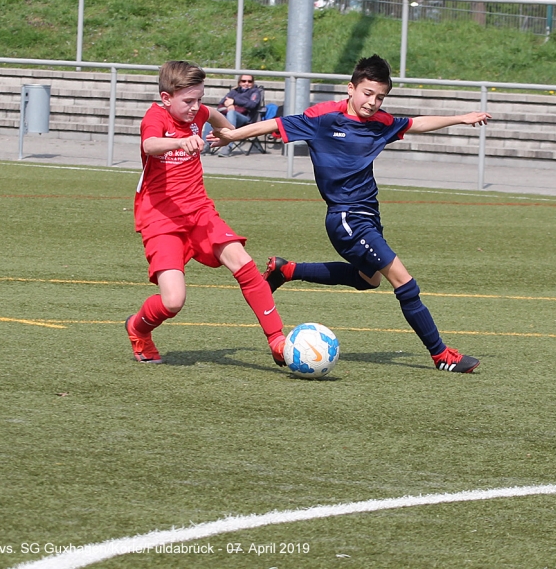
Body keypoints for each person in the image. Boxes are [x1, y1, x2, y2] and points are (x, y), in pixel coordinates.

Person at [208, 54, 492, 374]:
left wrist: (461, 118)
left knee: (368, 280)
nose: (372, 102)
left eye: (380, 97)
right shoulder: (324, 117)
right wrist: (231, 135)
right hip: (346, 218)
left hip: (369, 216)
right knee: (404, 282)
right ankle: (441, 355)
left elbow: (417, 123)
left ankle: (287, 270)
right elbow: (276, 123)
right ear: (351, 88)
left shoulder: (380, 122)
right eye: (367, 93)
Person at [126, 60, 287, 366]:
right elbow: (150, 144)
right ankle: (138, 328)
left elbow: (213, 116)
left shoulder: (198, 112)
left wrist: (227, 132)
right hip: (161, 218)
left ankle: (277, 340)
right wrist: (180, 141)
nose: (195, 107)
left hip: (199, 210)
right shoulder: (155, 117)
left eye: (198, 99)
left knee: (243, 262)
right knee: (173, 301)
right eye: (188, 101)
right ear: (166, 98)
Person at [203, 74, 263, 156]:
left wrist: (234, 101)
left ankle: (228, 146)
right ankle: (206, 144)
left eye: (249, 81)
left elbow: (252, 104)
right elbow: (221, 103)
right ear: (239, 82)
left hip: (245, 118)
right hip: (229, 116)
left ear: (253, 82)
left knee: (232, 113)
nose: (246, 83)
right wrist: (230, 106)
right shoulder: (234, 91)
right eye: (243, 81)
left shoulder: (255, 92)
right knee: (212, 117)